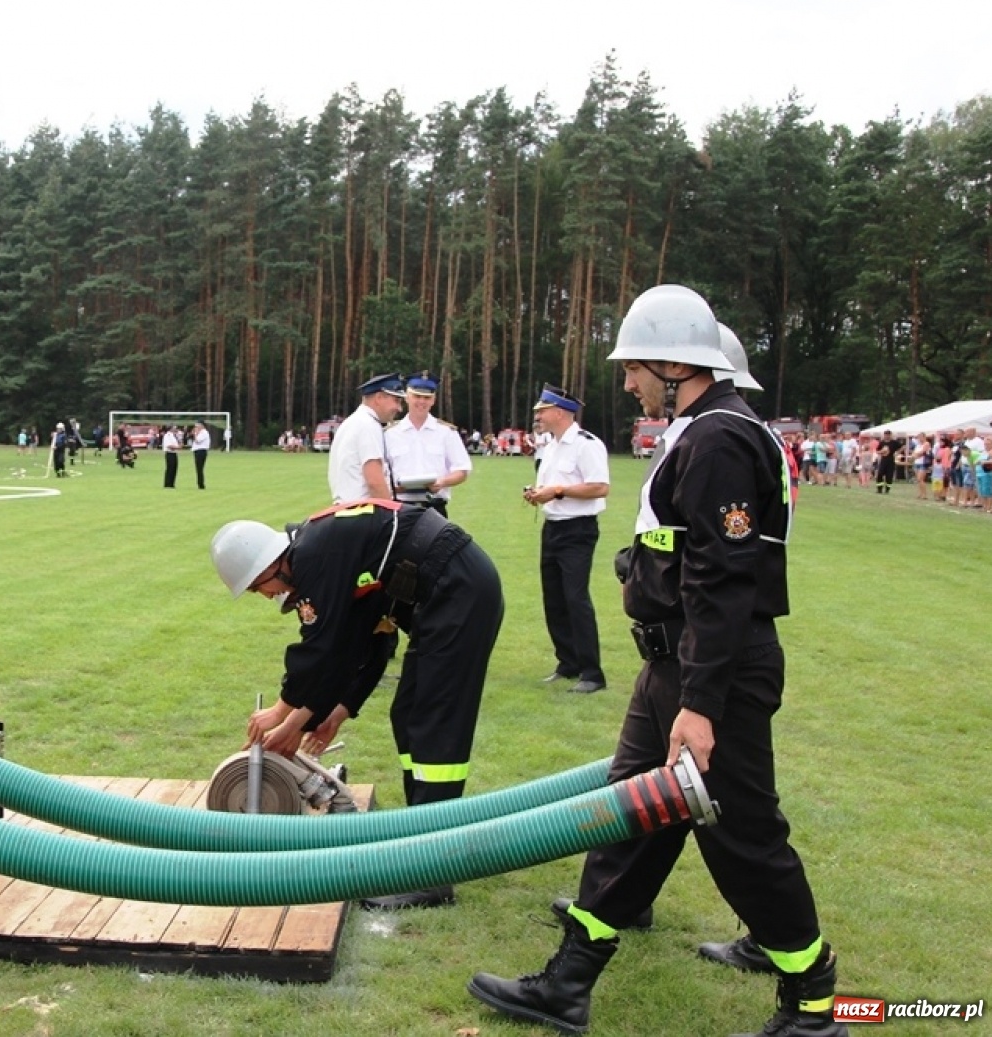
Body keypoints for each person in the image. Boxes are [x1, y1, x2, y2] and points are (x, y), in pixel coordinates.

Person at [468, 284, 847, 1037]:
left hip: (712, 674)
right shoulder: (704, 430)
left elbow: (723, 581)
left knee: (741, 837)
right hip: (675, 667)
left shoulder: (718, 440)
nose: (627, 380)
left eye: (635, 366)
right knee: (632, 816)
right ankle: (568, 982)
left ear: (676, 364)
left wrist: (700, 703)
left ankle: (813, 1004)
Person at [212, 496, 504, 910]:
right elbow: (368, 641)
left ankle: (434, 875)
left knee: (434, 726)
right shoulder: (324, 554)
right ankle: (421, 837)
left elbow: (323, 649)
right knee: (409, 715)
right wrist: (339, 711)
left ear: (267, 566)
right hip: (446, 594)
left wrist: (282, 715)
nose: (265, 596)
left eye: (259, 587)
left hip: (457, 594)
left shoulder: (315, 557)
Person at [522, 383, 610, 694]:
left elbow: (600, 486)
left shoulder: (587, 445)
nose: (539, 416)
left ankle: (592, 673)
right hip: (553, 527)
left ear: (560, 412)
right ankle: (568, 662)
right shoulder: (551, 445)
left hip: (578, 529)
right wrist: (538, 495)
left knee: (576, 598)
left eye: (542, 411)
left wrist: (557, 491)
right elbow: (552, 485)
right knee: (554, 598)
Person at [385, 374, 472, 520]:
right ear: (406, 397)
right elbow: (380, 471)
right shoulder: (389, 434)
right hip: (399, 507)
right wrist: (393, 486)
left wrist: (442, 482)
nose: (421, 402)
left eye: (426, 398)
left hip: (434, 508)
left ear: (433, 400)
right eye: (416, 396)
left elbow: (462, 470)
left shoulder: (446, 432)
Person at [328, 373, 405, 503]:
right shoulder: (368, 425)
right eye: (396, 401)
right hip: (363, 513)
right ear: (379, 398)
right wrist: (392, 514)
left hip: (347, 510)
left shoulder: (353, 422)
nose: (399, 408)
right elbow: (374, 481)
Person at [191, 420, 211, 489]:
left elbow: (198, 441)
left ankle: (201, 484)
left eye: (197, 426)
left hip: (201, 451)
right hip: (197, 451)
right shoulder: (200, 433)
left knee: (199, 468)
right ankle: (200, 483)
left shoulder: (204, 432)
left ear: (202, 426)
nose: (196, 427)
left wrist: (195, 434)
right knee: (198, 468)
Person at [161, 424, 182, 488]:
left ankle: (172, 484)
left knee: (174, 469)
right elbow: (169, 445)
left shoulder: (174, 436)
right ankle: (167, 484)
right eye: (174, 427)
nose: (175, 428)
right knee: (170, 469)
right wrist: (178, 447)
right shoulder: (167, 435)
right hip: (169, 453)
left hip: (174, 453)